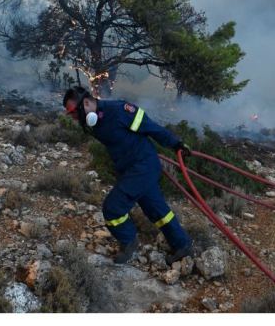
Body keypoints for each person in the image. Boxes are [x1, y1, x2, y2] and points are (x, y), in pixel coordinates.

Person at [62, 86, 193, 265]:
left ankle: (129, 242)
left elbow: (151, 127)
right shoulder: (93, 123)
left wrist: (176, 144)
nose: (75, 118)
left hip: (143, 167)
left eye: (74, 113)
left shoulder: (119, 111)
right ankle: (182, 245)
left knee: (113, 208)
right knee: (157, 210)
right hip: (132, 169)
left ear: (86, 103)